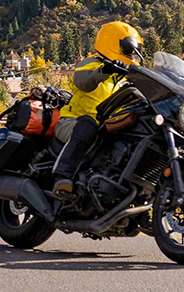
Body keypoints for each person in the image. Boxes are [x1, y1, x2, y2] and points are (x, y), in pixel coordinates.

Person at [50, 21, 144, 202]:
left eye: (135, 50)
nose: (132, 54)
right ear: (114, 43)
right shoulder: (91, 64)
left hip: (103, 128)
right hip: (72, 122)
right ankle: (62, 177)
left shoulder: (123, 79)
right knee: (88, 125)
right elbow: (82, 80)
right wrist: (104, 70)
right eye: (129, 49)